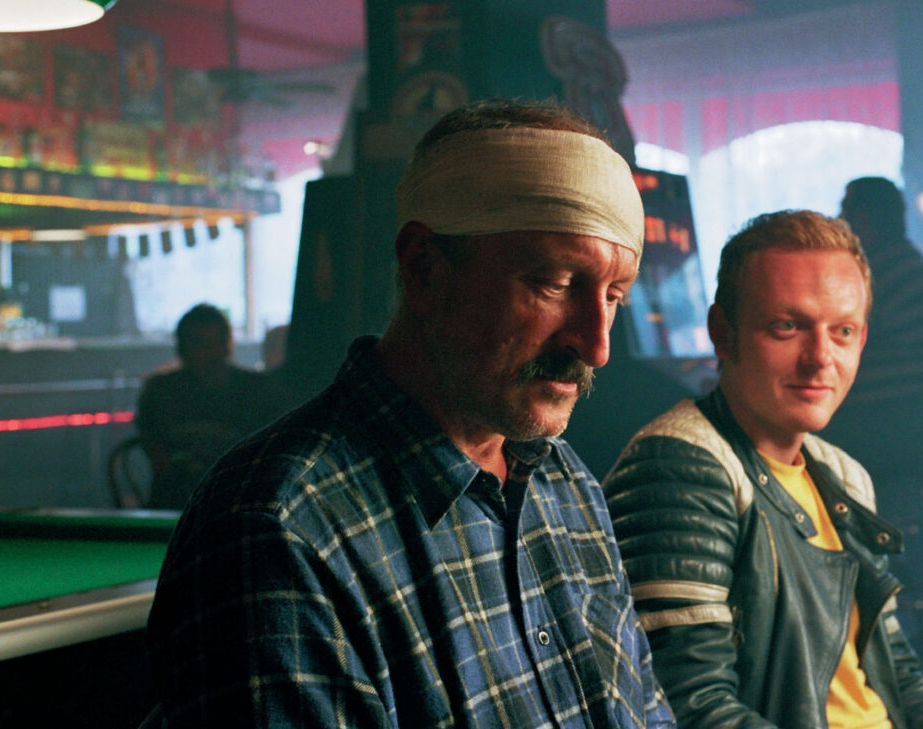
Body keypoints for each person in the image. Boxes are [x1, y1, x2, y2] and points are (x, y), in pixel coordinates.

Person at [147, 100, 673, 728]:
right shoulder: (279, 528)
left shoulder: (566, 481)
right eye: (556, 284)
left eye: (614, 296)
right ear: (424, 267)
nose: (595, 345)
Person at [603, 210, 923, 729]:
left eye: (842, 331)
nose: (820, 357)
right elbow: (689, 705)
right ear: (722, 333)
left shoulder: (844, 474)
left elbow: (897, 671)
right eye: (788, 326)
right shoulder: (679, 464)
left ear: (862, 340)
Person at [820, 177, 923, 528]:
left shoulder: (875, 273)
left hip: (896, 423)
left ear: (864, 218)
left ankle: (838, 550)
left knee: (795, 442)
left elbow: (837, 343)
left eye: (845, 209)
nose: (838, 219)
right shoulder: (905, 264)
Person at [135, 303, 285, 509]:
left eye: (219, 341)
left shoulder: (258, 390)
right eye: (201, 343)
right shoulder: (160, 392)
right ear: (183, 349)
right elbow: (149, 437)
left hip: (239, 500)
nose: (214, 352)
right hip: (177, 501)